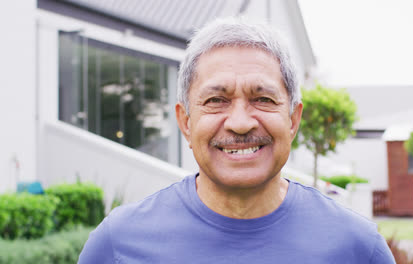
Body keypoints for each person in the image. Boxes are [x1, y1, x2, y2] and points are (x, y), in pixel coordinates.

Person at [78, 17, 395, 263]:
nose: (241, 123)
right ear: (186, 122)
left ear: (293, 120)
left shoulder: (358, 247)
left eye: (263, 99)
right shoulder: (118, 244)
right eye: (216, 99)